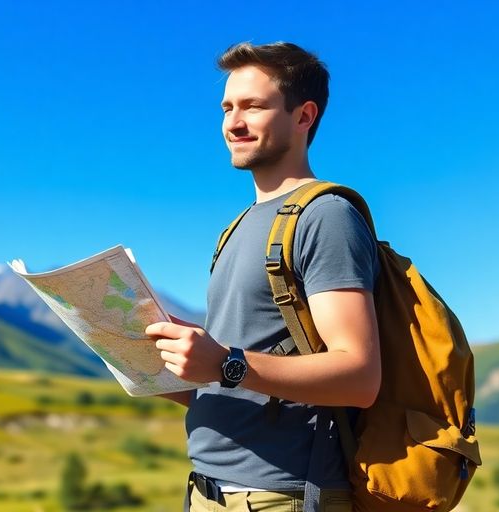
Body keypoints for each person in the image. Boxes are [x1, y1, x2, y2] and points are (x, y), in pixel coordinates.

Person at [145, 42, 382, 512]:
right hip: (208, 492)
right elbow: (237, 380)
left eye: (253, 106)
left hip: (282, 496)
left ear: (303, 116)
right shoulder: (236, 228)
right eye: (227, 108)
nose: (233, 123)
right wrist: (158, 364)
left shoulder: (324, 216)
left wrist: (224, 363)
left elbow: (359, 375)